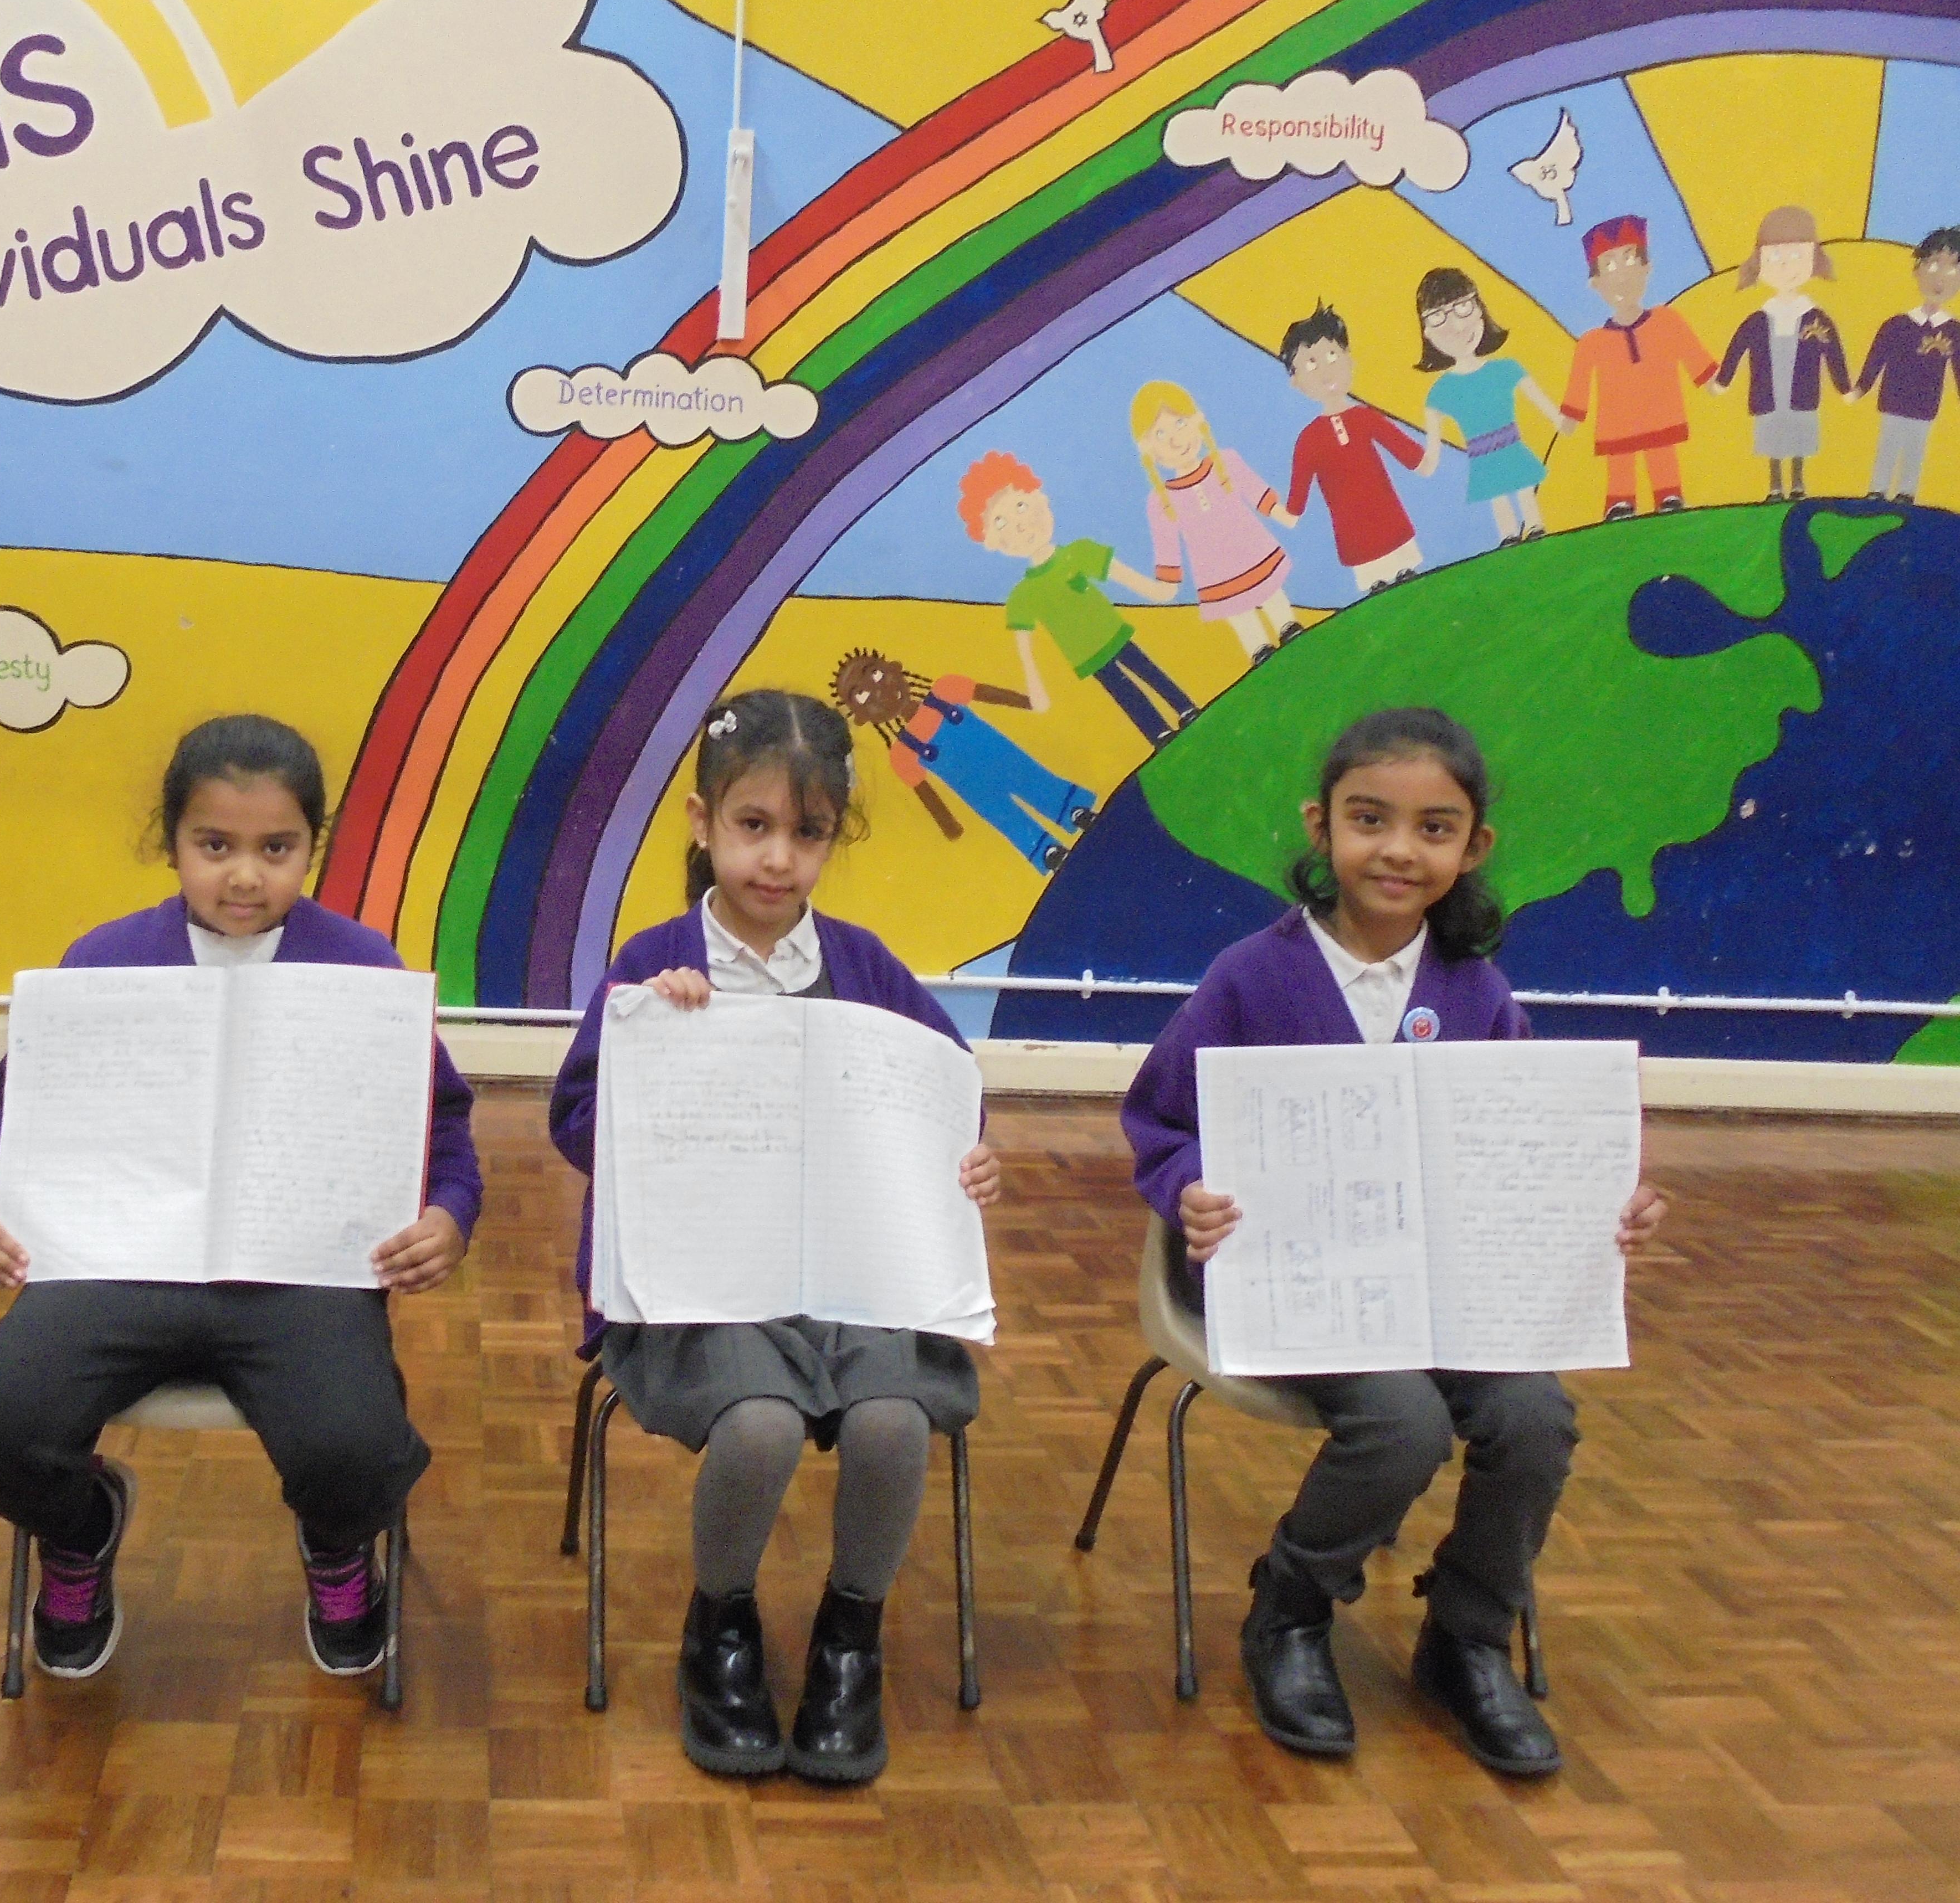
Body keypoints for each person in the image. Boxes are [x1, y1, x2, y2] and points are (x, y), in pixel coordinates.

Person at [1118, 708, 1669, 1778]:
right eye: (1369, 819)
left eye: (1433, 827)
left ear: (1474, 846)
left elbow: (1524, 1143)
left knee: (1534, 1416)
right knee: (1403, 1421)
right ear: (1320, 826)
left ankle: (1466, 1634)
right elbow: (1160, 1120)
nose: (1398, 849)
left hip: (1447, 1289)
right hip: (1297, 1281)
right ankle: (1290, 1606)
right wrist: (1188, 1191)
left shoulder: (1475, 989)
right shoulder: (1250, 975)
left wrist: (1604, 1200)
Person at [0, 714, 480, 1684]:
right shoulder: (105, 960)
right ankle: (81, 1528)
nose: (245, 876)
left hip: (298, 1275)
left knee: (357, 1446)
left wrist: (447, 1213)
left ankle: (336, 1545)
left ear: (312, 845)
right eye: (215, 845)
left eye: (277, 848)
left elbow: (439, 1125)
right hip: (114, 1266)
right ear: (173, 840)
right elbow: (21, 1119)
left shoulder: (361, 966)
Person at [550, 688, 1004, 1784]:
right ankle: (720, 1624)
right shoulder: (653, 965)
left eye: (807, 832)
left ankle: (850, 1634)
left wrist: (968, 1153)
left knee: (893, 1421)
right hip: (700, 1287)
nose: (778, 858)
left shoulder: (865, 965)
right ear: (702, 823)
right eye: (752, 826)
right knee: (756, 1426)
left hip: (853, 1275)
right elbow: (573, 1122)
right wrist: (655, 1050)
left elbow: (943, 1087)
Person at [962, 451, 1197, 744]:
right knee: (1124, 692)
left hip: (1113, 634)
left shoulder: (1079, 552)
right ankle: (1158, 732)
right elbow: (1025, 649)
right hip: (1087, 655)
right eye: (1000, 523)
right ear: (993, 540)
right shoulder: (1022, 596)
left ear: (1039, 499)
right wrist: (1035, 688)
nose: (1019, 525)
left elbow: (1124, 575)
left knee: (1148, 671)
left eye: (1020, 505)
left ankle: (1184, 706)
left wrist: (1160, 591)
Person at [828, 646, 1095, 877]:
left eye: (877, 675)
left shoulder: (946, 689)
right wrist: (948, 825)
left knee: (1035, 779)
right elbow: (926, 793)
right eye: (862, 696)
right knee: (1005, 817)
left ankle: (1074, 811)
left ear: (895, 668)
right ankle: (1046, 851)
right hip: (977, 790)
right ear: (862, 717)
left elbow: (988, 693)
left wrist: (1030, 702)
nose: (879, 693)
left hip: (1005, 758)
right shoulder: (902, 754)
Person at [1127, 382, 1302, 662]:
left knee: (1280, 609)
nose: (1175, 440)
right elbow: (1168, 553)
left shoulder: (1227, 462)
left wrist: (1287, 516)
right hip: (1217, 575)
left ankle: (1288, 627)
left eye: (1180, 423)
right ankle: (1259, 650)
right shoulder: (1160, 502)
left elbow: (1259, 495)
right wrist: (1164, 586)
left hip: (1256, 553)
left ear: (1197, 419)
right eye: (1160, 433)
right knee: (1248, 628)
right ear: (1147, 447)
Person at [1557, 214, 1718, 518]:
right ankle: (1620, 502)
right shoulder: (1592, 342)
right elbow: (1580, 383)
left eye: (1630, 259)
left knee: (1662, 455)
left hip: (1661, 413)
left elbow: (1694, 355)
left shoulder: (1667, 321)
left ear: (1647, 267)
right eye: (1609, 265)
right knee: (1620, 463)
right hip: (1617, 422)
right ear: (1595, 283)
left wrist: (1714, 381)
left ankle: (1669, 495)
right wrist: (1570, 418)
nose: (1622, 275)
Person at [1280, 304, 1433, 594]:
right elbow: (1297, 499)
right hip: (1355, 539)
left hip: (1392, 525)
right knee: (1377, 594)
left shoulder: (1365, 417)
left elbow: (1410, 454)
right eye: (1311, 363)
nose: (1325, 370)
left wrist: (1435, 441)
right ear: (1296, 381)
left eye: (1332, 355)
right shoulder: (1309, 439)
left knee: (1411, 583)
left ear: (1349, 359)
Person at [1410, 269, 1562, 544]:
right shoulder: (1440, 392)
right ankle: (1508, 535)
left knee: (1523, 487)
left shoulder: (1507, 369)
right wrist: (1426, 463)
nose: (1457, 327)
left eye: (1463, 307)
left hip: (1512, 445)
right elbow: (1433, 446)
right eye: (1438, 317)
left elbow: (1541, 401)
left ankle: (1534, 525)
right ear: (1428, 333)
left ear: (1480, 310)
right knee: (1498, 496)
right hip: (1482, 456)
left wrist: (1560, 420)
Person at [1714, 207, 1850, 502]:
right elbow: (1737, 349)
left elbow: (1834, 353)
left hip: (1803, 393)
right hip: (1768, 394)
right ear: (1759, 261)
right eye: (1775, 255)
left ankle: (1798, 482)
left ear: (1814, 259)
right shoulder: (1759, 319)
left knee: (1800, 434)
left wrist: (1844, 388)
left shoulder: (1816, 318)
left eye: (1798, 254)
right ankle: (1776, 485)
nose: (1786, 264)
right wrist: (1723, 381)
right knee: (1772, 436)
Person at [1847, 224, 1960, 502]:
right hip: (1893, 401)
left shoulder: (1953, 331)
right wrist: (1861, 388)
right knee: (1888, 446)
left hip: (1926, 406)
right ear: (1918, 269)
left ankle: (1907, 493)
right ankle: (1878, 489)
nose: (1941, 277)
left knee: (1916, 449)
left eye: (1953, 269)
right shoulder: (1897, 325)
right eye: (1934, 265)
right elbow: (1876, 358)